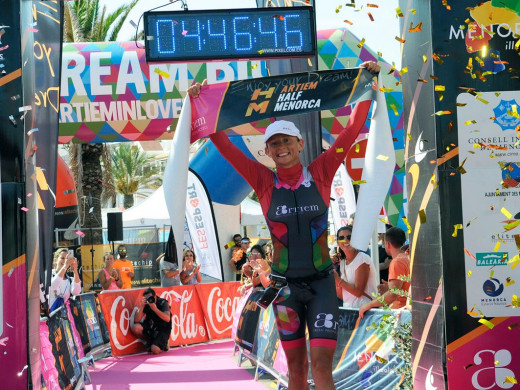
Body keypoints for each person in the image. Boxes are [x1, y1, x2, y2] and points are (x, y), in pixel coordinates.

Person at [188, 60, 380, 390]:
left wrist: (367, 83)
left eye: (286, 141)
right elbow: (222, 144)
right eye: (274, 144)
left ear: (300, 144)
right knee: (295, 367)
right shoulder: (262, 180)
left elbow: (349, 132)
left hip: (321, 286)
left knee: (321, 365)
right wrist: (198, 103)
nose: (281, 147)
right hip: (285, 289)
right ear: (268, 151)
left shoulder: (320, 171)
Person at [358, 227, 410, 318]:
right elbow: (401, 289)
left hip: (401, 315)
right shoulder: (408, 258)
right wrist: (389, 288)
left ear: (388, 244)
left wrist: (369, 305)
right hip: (406, 313)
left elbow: (393, 294)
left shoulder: (397, 262)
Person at [332, 226, 377, 308]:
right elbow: (343, 296)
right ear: (338, 242)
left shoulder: (362, 259)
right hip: (351, 312)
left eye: (349, 237)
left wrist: (338, 280)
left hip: (365, 312)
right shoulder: (343, 263)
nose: (345, 240)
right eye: (341, 238)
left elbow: (358, 292)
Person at [131, 287, 172, 354]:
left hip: (163, 327)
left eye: (150, 297)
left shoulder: (163, 303)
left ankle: (163, 343)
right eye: (146, 298)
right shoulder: (146, 304)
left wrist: (155, 309)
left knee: (154, 350)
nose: (149, 299)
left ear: (155, 296)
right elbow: (137, 320)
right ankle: (150, 341)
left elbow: (167, 319)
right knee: (135, 327)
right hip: (152, 326)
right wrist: (142, 306)